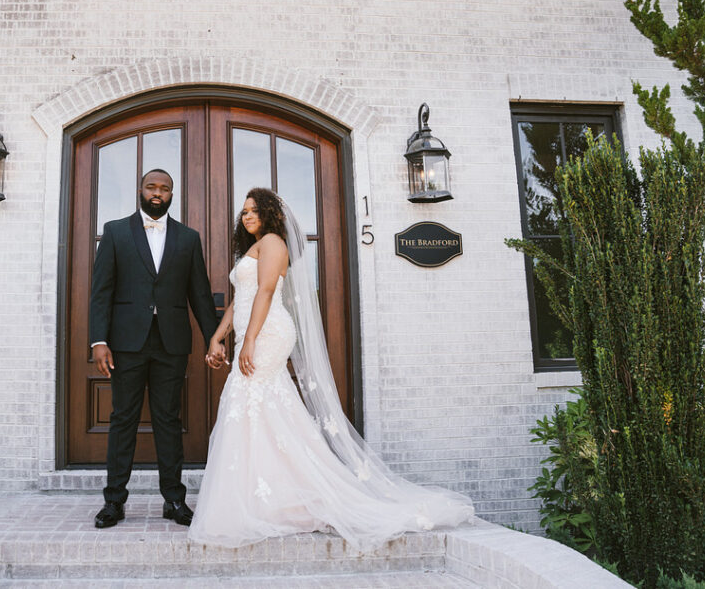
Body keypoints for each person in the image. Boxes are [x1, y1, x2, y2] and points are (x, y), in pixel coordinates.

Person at [189, 188, 474, 550]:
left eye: (254, 211)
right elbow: (239, 301)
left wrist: (248, 342)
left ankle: (284, 496)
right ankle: (270, 496)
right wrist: (217, 337)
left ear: (271, 215)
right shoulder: (253, 247)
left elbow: (263, 293)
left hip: (268, 334)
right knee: (258, 409)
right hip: (252, 332)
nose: (246, 217)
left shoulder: (274, 242)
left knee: (251, 401)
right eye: (243, 212)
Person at [89, 169, 218, 529]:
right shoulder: (115, 232)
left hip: (171, 344)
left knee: (168, 420)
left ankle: (174, 500)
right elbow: (101, 291)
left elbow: (200, 295)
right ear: (141, 190)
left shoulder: (189, 238)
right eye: (152, 187)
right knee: (122, 419)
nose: (158, 193)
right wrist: (99, 340)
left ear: (172, 194)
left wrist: (213, 338)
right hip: (125, 345)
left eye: (165, 188)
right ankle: (114, 501)